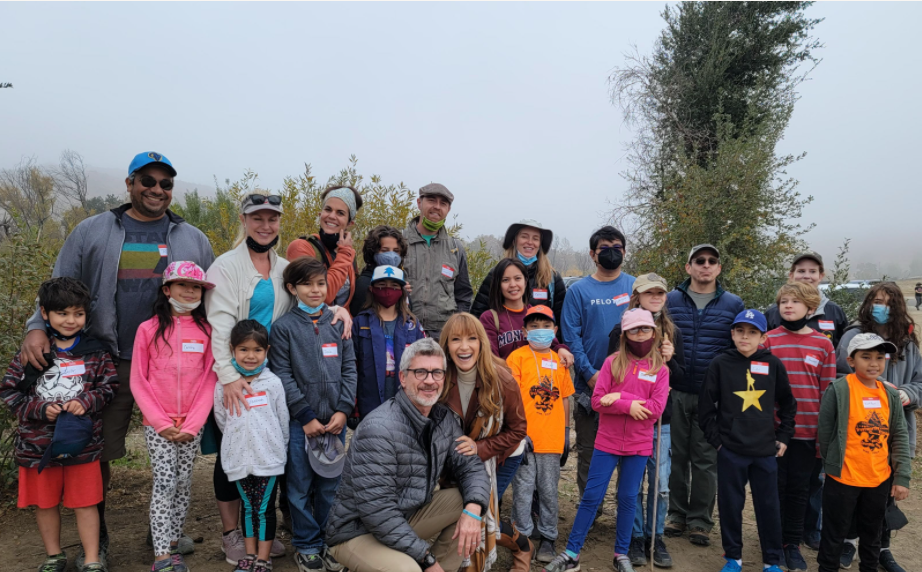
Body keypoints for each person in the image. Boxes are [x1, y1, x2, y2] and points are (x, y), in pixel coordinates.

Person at [19, 151, 214, 566]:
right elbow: (57, 286)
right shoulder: (92, 230)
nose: (157, 190)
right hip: (104, 362)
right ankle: (100, 538)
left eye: (165, 184)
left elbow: (211, 302)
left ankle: (162, 532)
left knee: (176, 451)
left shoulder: (193, 238)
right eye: (148, 181)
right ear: (130, 184)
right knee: (98, 453)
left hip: (174, 369)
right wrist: (36, 326)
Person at [325, 338, 491, 572]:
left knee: (471, 503)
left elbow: (471, 467)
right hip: (357, 530)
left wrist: (473, 509)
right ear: (403, 378)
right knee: (409, 570)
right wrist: (426, 559)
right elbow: (378, 511)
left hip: (405, 517)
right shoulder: (379, 428)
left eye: (437, 373)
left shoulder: (444, 419)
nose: (430, 380)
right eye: (420, 372)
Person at [1, 277, 118, 572]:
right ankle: (54, 555)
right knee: (45, 503)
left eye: (78, 314)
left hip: (83, 445)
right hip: (37, 446)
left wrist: (87, 401)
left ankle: (92, 558)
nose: (70, 320)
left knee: (86, 502)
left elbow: (108, 387)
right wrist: (40, 408)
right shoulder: (33, 352)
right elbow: (9, 391)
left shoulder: (96, 352)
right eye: (62, 313)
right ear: (45, 313)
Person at [543, 309, 670, 572]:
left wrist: (621, 399)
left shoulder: (660, 369)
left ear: (654, 333)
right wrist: (627, 405)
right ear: (624, 335)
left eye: (645, 329)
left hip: (638, 444)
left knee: (627, 497)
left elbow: (655, 409)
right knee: (591, 497)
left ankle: (621, 554)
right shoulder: (612, 363)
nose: (640, 335)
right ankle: (572, 554)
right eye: (634, 330)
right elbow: (599, 401)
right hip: (607, 442)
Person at [205, 193, 292, 562]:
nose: (265, 225)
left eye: (272, 219)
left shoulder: (285, 268)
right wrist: (228, 376)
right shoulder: (225, 267)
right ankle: (232, 535)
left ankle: (259, 533)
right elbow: (219, 323)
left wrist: (339, 311)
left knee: (265, 450)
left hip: (268, 372)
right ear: (244, 220)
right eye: (258, 218)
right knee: (232, 451)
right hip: (232, 373)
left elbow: (307, 299)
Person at [270, 257, 357, 572]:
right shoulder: (283, 329)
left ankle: (329, 542)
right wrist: (304, 415)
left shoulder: (338, 323)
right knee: (299, 485)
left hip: (334, 423)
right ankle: (307, 545)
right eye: (307, 284)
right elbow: (281, 374)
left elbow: (350, 369)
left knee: (331, 486)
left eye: (321, 283)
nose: (315, 290)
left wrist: (344, 410)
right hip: (300, 424)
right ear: (293, 288)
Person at [130, 262, 218, 572]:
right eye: (183, 286)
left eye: (196, 287)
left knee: (183, 483)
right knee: (165, 484)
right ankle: (162, 557)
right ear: (167, 290)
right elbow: (138, 380)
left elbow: (210, 378)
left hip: (191, 425)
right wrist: (161, 422)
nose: (190, 291)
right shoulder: (148, 329)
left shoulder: (207, 331)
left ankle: (173, 541)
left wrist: (193, 423)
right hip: (159, 425)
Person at [698, 309, 796, 572]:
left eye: (752, 332)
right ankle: (733, 557)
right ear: (732, 333)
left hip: (765, 451)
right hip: (731, 450)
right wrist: (718, 442)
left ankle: (771, 561)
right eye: (740, 331)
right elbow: (705, 408)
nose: (745, 337)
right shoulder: (720, 363)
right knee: (730, 505)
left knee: (768, 506)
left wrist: (784, 436)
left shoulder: (773, 365)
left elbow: (788, 403)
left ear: (763, 337)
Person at [834, 283, 922, 572]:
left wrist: (906, 394)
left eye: (886, 302)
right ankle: (848, 542)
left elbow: (921, 382)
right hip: (857, 433)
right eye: (876, 300)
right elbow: (838, 373)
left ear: (897, 306)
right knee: (852, 492)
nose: (880, 306)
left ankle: (882, 549)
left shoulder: (908, 343)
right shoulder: (854, 335)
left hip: (895, 433)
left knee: (884, 496)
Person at [665, 244, 743, 547]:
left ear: (719, 269)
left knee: (706, 460)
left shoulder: (733, 304)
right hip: (675, 390)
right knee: (676, 457)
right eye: (699, 261)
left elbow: (739, 347)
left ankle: (700, 521)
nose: (705, 266)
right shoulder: (670, 300)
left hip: (713, 396)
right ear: (688, 267)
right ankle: (676, 514)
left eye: (712, 261)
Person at [764, 252, 843, 551]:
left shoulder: (823, 345)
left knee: (802, 489)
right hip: (774, 429)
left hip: (809, 431)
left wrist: (824, 437)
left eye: (794, 302)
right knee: (775, 489)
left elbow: (828, 392)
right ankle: (773, 541)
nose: (787, 306)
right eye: (784, 301)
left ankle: (792, 544)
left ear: (811, 309)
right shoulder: (769, 340)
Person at [606, 273, 684, 569]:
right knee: (633, 484)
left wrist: (670, 358)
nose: (655, 297)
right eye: (648, 292)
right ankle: (636, 537)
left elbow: (682, 374)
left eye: (660, 293)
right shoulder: (620, 332)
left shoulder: (671, 333)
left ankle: (657, 535)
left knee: (661, 485)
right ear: (636, 296)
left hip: (660, 420)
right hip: (630, 421)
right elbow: (611, 375)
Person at [438, 313, 527, 571]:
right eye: (456, 339)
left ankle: (521, 545)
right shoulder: (439, 377)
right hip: (457, 457)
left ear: (482, 343)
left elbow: (518, 429)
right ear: (446, 345)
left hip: (501, 455)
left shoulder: (503, 380)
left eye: (471, 338)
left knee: (480, 511)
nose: (464, 346)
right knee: (461, 512)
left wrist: (481, 448)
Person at [817, 333, 912, 572]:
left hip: (878, 480)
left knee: (872, 536)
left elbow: (899, 435)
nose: (873, 363)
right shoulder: (839, 390)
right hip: (843, 479)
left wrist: (901, 478)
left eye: (880, 357)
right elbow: (825, 433)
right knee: (833, 535)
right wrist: (832, 467)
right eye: (866, 357)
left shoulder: (890, 394)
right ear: (851, 360)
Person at [560, 225, 635, 504]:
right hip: (589, 387)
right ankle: (591, 509)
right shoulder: (578, 291)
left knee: (630, 454)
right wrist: (590, 374)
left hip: (631, 387)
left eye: (616, 248)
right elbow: (571, 336)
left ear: (624, 252)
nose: (611, 253)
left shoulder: (635, 287)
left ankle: (628, 511)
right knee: (590, 452)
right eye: (604, 249)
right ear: (593, 254)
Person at [214, 321, 290, 572]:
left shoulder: (273, 383)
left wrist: (278, 448)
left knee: (265, 509)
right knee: (247, 506)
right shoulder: (223, 386)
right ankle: (248, 555)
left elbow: (282, 420)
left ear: (267, 350)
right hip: (238, 459)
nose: (250, 356)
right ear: (232, 350)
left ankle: (263, 558)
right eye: (243, 349)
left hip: (268, 459)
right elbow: (222, 420)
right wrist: (238, 443)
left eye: (257, 350)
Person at [507, 305, 575, 568]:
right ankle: (522, 536)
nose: (540, 331)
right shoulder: (517, 358)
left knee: (548, 490)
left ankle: (548, 536)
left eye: (546, 326)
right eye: (533, 326)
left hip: (552, 438)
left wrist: (567, 432)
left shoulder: (560, 360)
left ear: (555, 330)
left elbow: (566, 397)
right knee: (523, 490)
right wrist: (515, 433)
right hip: (523, 439)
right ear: (524, 331)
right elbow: (511, 397)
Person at [352, 264, 426, 421]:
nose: (387, 290)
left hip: (406, 402)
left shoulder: (412, 325)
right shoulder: (360, 323)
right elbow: (352, 367)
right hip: (369, 403)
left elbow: (424, 364)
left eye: (394, 286)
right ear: (372, 289)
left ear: (401, 291)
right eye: (382, 285)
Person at [402, 183, 473, 340]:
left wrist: (458, 326)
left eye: (443, 203)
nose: (437, 207)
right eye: (432, 200)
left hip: (443, 334)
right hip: (403, 329)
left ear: (448, 210)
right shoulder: (399, 242)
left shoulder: (455, 248)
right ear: (419, 203)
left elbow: (463, 294)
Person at [478, 258, 573, 365]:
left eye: (518, 278)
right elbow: (491, 360)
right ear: (498, 285)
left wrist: (561, 349)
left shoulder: (535, 313)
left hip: (536, 378)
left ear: (525, 281)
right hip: (505, 379)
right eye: (505, 280)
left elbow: (553, 344)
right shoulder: (489, 318)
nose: (512, 284)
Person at [471, 220, 568, 323]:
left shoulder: (552, 278)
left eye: (535, 238)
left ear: (540, 244)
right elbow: (477, 317)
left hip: (540, 338)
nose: (530, 242)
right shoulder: (496, 274)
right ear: (514, 240)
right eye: (524, 236)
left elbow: (562, 320)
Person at [286, 185, 364, 309]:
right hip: (311, 326)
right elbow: (323, 295)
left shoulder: (349, 254)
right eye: (328, 209)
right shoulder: (301, 247)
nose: (332, 216)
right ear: (320, 214)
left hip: (341, 327)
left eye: (340, 213)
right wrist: (345, 253)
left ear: (350, 223)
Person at [764, 252, 849, 349]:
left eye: (812, 271)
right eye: (801, 271)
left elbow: (843, 351)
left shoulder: (834, 311)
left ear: (820, 276)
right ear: (791, 275)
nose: (807, 276)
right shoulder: (773, 313)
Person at [349, 225, 409, 317]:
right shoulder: (365, 283)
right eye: (385, 250)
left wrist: (404, 293)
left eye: (396, 251)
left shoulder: (400, 280)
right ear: (373, 252)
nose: (391, 255)